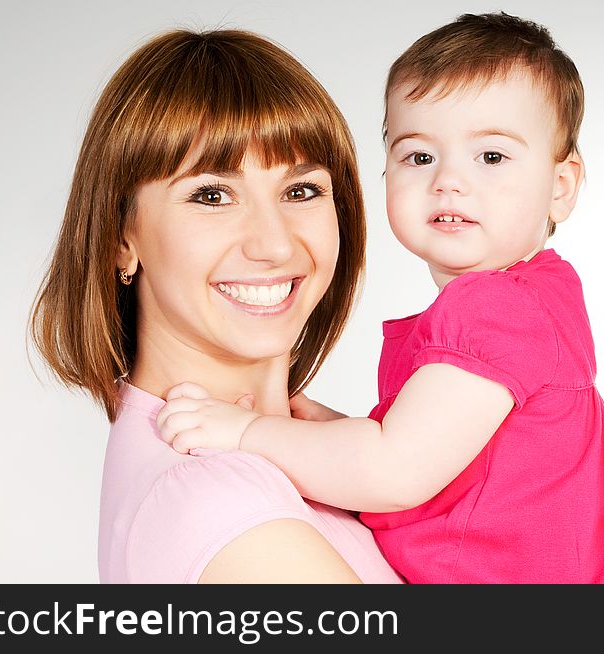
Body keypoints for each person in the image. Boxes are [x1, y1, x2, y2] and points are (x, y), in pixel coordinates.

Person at [158, 13, 604, 584]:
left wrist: (246, 433)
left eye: (491, 157)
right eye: (419, 156)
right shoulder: (537, 298)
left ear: (561, 186)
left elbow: (394, 472)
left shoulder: (495, 312)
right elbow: (453, 459)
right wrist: (328, 427)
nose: (449, 180)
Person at [29, 27, 403, 584]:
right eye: (211, 196)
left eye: (301, 191)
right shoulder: (223, 506)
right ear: (120, 238)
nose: (274, 245)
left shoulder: (340, 457)